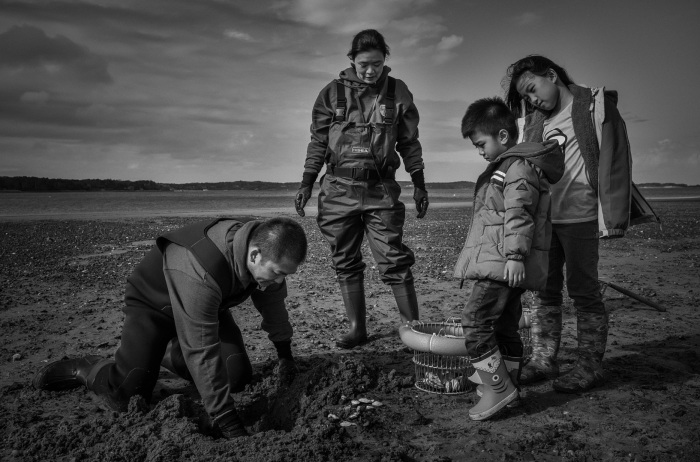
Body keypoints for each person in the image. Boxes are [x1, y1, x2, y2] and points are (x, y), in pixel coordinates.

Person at [33, 216, 307, 439]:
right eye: (278, 273)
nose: (279, 280)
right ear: (256, 255)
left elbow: (273, 306)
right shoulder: (202, 265)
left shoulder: (262, 251)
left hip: (206, 307)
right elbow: (202, 349)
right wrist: (228, 421)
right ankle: (85, 367)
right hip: (153, 305)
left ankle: (166, 351)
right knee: (127, 395)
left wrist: (285, 354)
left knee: (236, 376)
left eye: (286, 274)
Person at [503, 55, 658, 393]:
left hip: (581, 217)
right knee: (544, 289)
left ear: (552, 75)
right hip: (545, 218)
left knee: (584, 290)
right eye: (526, 98)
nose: (532, 100)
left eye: (532, 90)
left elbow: (616, 158)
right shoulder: (535, 123)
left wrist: (614, 215)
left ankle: (589, 365)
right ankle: (545, 360)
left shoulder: (593, 108)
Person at [294, 29, 429, 349]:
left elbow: (410, 142)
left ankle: (415, 328)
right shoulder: (330, 93)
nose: (371, 70)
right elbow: (317, 142)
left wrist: (419, 184)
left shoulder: (398, 92)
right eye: (365, 63)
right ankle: (357, 329)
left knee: (394, 258)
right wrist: (306, 183)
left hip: (381, 189)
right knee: (345, 259)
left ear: (386, 62)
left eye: (378, 64)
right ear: (351, 60)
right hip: (339, 189)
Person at [453, 97, 563, 420]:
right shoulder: (507, 166)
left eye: (480, 144)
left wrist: (515, 256)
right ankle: (509, 379)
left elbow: (520, 213)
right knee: (504, 325)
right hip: (503, 264)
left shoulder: (517, 167)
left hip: (502, 266)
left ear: (502, 136)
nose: (479, 151)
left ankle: (498, 387)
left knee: (475, 321)